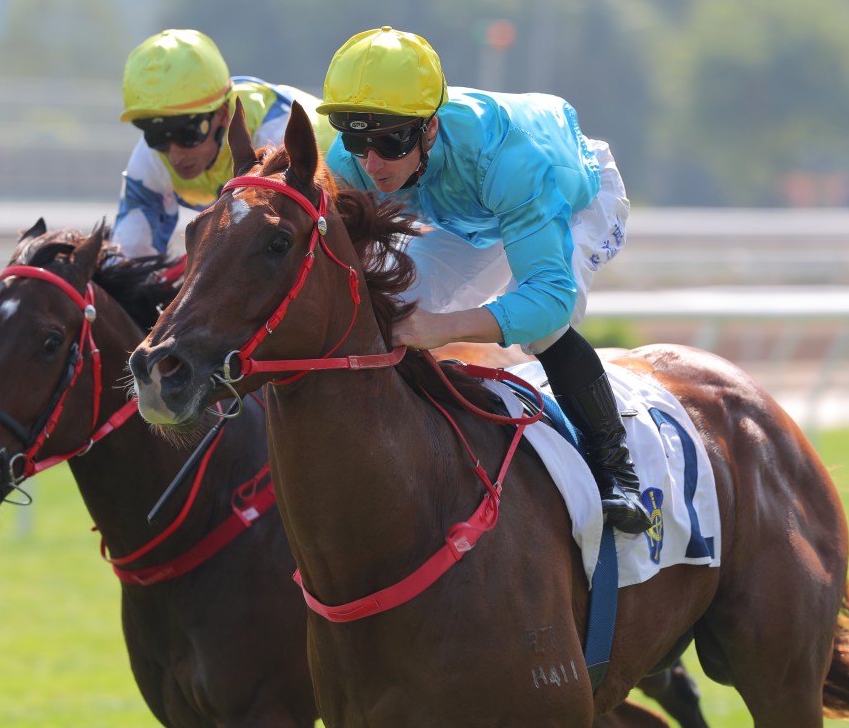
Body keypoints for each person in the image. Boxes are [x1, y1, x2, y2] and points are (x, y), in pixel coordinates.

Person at [317, 27, 651, 535]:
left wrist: (444, 328)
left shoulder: (509, 158)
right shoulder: (350, 164)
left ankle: (617, 473)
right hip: (468, 217)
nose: (372, 163)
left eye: (389, 139)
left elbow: (549, 299)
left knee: (543, 329)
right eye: (356, 137)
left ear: (429, 129)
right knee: (394, 305)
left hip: (570, 198)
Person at [115, 28, 337, 258]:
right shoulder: (151, 156)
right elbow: (129, 254)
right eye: (157, 135)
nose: (175, 155)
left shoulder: (274, 134)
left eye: (186, 134)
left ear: (222, 114)